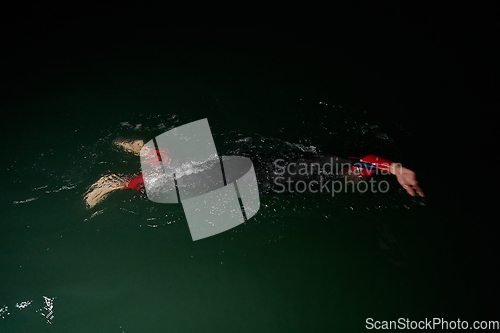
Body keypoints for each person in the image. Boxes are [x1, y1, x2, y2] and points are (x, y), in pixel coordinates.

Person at [84, 138, 424, 208]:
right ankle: (117, 184)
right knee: (167, 184)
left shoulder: (317, 170)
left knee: (186, 174)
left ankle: (146, 149)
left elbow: (358, 163)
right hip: (246, 175)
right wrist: (395, 168)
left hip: (255, 166)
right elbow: (362, 160)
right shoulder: (320, 170)